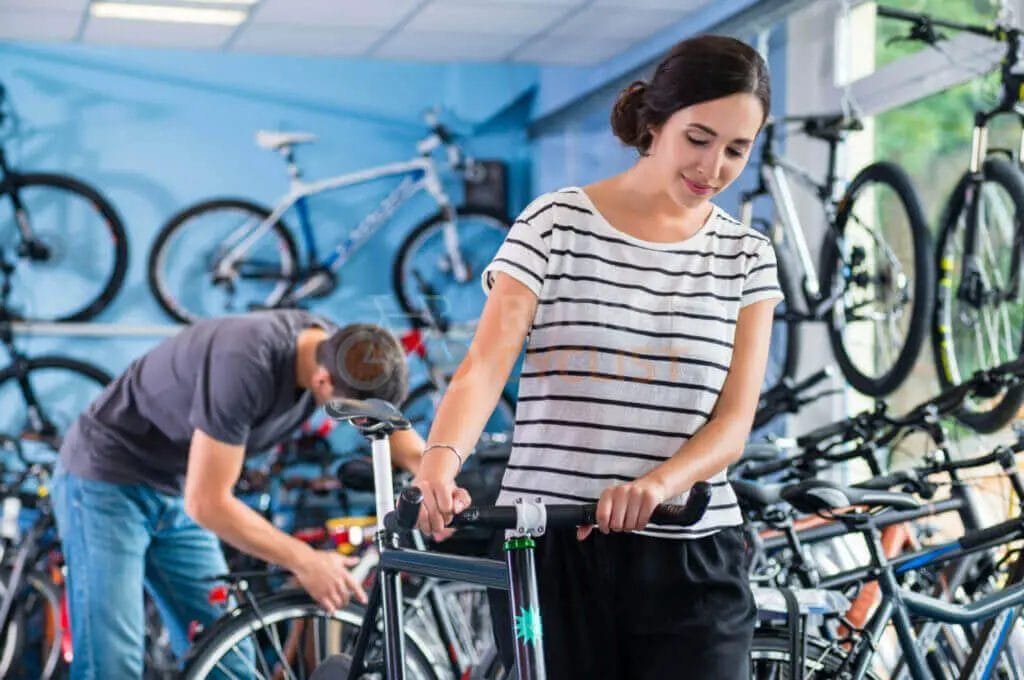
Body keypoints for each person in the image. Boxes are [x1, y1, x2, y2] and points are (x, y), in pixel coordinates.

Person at [411, 34, 781, 679]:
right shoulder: (554, 224)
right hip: (552, 550)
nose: (714, 167)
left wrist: (657, 486)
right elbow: (485, 366)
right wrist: (440, 462)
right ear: (655, 122)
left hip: (693, 554)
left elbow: (733, 422)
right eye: (698, 138)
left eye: (736, 149)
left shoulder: (747, 256)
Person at [52, 310, 423, 679]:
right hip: (105, 478)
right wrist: (306, 561)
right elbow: (207, 502)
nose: (357, 426)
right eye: (354, 418)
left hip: (176, 486)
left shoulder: (347, 353)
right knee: (112, 662)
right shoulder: (247, 364)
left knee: (229, 658)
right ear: (322, 381)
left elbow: (401, 441)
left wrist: (437, 489)